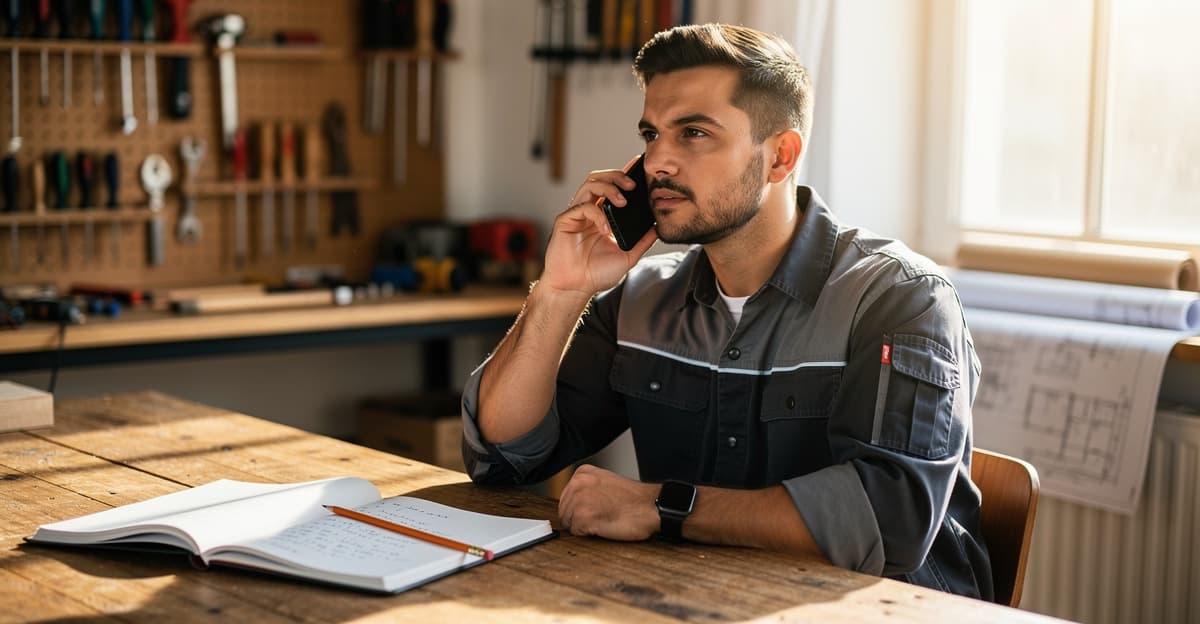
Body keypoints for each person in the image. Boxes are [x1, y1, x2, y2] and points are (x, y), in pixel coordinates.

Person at [460, 23, 993, 600]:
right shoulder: (642, 297)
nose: (656, 161)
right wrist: (560, 293)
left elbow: (890, 520)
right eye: (651, 133)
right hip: (700, 600)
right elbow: (502, 455)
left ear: (780, 158)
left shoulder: (902, 298)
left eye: (693, 133)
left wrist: (662, 507)